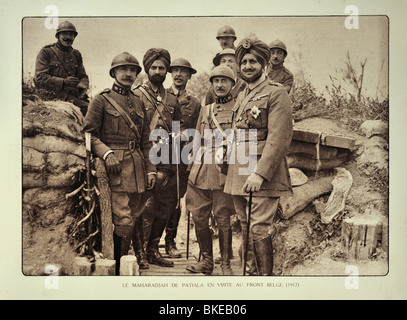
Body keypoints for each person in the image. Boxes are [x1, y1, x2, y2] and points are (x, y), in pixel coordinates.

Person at [224, 38, 293, 276]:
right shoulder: (242, 93)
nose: (247, 66)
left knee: (259, 228)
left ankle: (265, 282)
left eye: (253, 61)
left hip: (261, 173)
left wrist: (260, 173)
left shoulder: (276, 92)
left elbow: (279, 139)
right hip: (239, 169)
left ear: (263, 64)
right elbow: (236, 131)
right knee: (244, 225)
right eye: (243, 62)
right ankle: (249, 276)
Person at [83, 52, 156, 274]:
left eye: (132, 70)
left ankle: (123, 264)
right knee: (124, 219)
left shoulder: (139, 102)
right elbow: (89, 135)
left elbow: (145, 141)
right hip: (115, 168)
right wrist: (106, 154)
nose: (128, 73)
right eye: (123, 69)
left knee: (134, 216)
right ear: (113, 72)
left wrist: (151, 170)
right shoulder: (101, 100)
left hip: (137, 169)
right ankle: (116, 270)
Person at [185, 65, 237, 275]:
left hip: (223, 168)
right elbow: (198, 138)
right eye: (216, 81)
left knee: (223, 216)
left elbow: (242, 140)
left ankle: (225, 263)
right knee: (198, 215)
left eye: (224, 81)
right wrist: (190, 169)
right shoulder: (206, 110)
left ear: (232, 84)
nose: (220, 84)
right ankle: (207, 261)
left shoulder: (238, 109)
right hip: (201, 168)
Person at [132, 48, 182, 267]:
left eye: (162, 68)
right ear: (147, 68)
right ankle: (139, 252)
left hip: (167, 159)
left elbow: (178, 133)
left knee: (166, 206)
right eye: (154, 67)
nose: (158, 71)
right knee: (144, 206)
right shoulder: (136, 95)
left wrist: (175, 163)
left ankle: (153, 249)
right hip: (145, 156)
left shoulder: (172, 99)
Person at [164, 58, 202, 258]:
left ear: (189, 75)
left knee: (176, 201)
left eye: (183, 71)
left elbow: (198, 132)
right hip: (160, 156)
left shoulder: (195, 104)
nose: (178, 74)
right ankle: (148, 244)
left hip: (181, 158)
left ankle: (170, 243)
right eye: (175, 70)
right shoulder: (161, 97)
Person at [35, 20, 89, 115]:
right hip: (53, 96)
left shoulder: (76, 54)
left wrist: (81, 88)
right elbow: (40, 77)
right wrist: (63, 82)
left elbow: (83, 76)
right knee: (88, 110)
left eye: (71, 34)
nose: (68, 37)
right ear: (58, 36)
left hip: (73, 96)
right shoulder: (46, 52)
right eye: (64, 34)